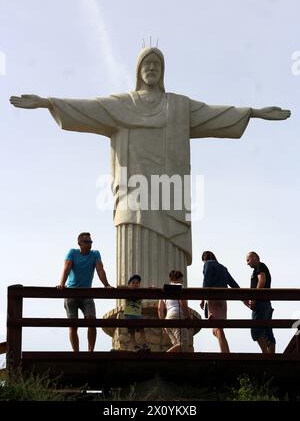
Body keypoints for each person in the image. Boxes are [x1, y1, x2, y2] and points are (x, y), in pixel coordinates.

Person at [10, 48, 291, 291]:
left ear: (163, 71)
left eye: (157, 65)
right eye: (147, 65)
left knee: (170, 257)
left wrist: (252, 112)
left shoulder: (178, 106)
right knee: (134, 240)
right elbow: (87, 108)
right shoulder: (121, 104)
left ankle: (173, 308)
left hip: (170, 190)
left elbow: (213, 114)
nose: (152, 69)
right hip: (132, 190)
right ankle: (131, 308)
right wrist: (48, 103)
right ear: (138, 71)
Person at [57, 232, 111, 352]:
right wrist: (62, 284)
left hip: (86, 293)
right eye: (87, 242)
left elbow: (100, 269)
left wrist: (106, 285)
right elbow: (66, 268)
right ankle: (76, 353)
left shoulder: (95, 254)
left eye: (90, 241)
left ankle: (90, 351)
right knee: (73, 325)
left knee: (91, 320)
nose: (90, 244)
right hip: (71, 292)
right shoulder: (73, 253)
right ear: (79, 243)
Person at [200, 251, 239, 353]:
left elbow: (206, 282)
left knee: (216, 329)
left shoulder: (208, 264)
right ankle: (225, 352)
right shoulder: (223, 268)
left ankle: (225, 354)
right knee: (219, 328)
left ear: (205, 259)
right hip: (223, 300)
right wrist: (244, 298)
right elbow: (233, 284)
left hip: (212, 298)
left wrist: (202, 299)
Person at [245, 251, 276, 354]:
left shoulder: (259, 266)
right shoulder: (260, 267)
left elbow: (261, 281)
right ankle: (272, 358)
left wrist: (254, 298)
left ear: (255, 257)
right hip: (266, 304)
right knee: (267, 332)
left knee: (256, 330)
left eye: (248, 260)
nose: (247, 263)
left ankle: (266, 356)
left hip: (261, 304)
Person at [158, 270, 194, 352]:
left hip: (168, 318)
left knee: (177, 346)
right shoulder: (179, 286)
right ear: (179, 278)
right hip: (177, 316)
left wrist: (163, 324)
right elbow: (183, 304)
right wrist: (188, 317)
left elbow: (160, 309)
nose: (182, 281)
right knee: (183, 345)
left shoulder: (164, 289)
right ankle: (163, 358)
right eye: (182, 279)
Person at [123, 274, 150, 351]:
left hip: (138, 314)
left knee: (142, 329)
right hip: (129, 314)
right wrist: (128, 288)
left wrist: (150, 288)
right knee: (132, 332)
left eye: (137, 283)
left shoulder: (140, 292)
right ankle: (135, 346)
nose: (135, 284)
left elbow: (148, 291)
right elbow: (119, 287)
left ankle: (144, 344)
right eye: (133, 282)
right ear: (129, 284)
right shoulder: (127, 292)